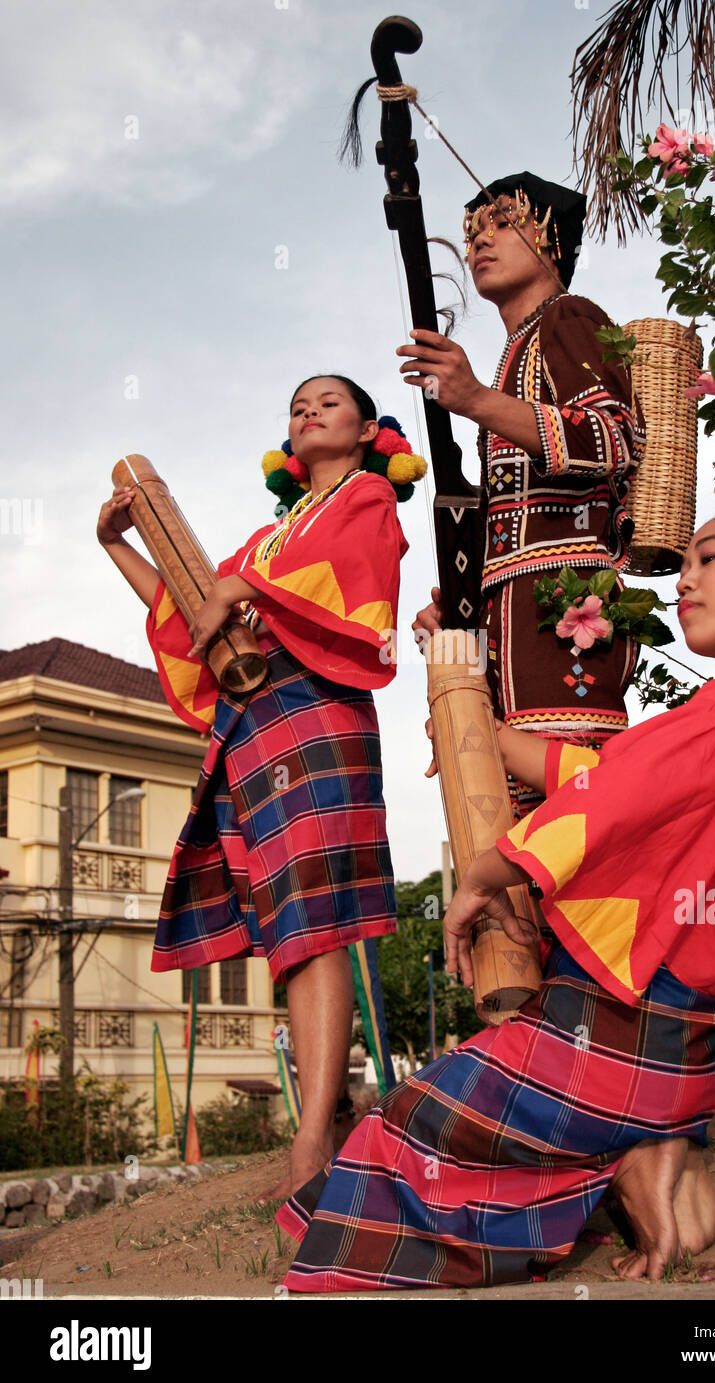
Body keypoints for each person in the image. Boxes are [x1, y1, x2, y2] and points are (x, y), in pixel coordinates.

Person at [273, 503, 715, 1290]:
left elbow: (614, 796)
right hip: (683, 1038)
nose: (687, 578)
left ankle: (635, 1150)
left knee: (398, 1133)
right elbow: (606, 776)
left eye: (709, 557)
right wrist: (470, 710)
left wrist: (486, 872)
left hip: (620, 1025)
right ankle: (652, 1145)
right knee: (463, 1119)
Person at [97, 376, 425, 1198]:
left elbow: (351, 584)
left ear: (366, 431)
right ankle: (327, 1115)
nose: (307, 412)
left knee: (316, 915)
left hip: (317, 712)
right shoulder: (271, 536)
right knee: (292, 930)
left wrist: (242, 591)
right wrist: (121, 544)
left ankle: (311, 1135)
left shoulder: (365, 501)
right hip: (257, 721)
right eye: (296, 406)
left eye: (328, 402)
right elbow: (190, 608)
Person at [406, 172, 646, 815]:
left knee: (568, 799)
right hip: (508, 614)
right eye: (474, 229)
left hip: (566, 609)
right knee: (505, 807)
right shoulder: (516, 349)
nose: (482, 238)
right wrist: (462, 603)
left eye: (504, 221)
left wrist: (478, 401)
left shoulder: (570, 317)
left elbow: (615, 439)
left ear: (552, 238)